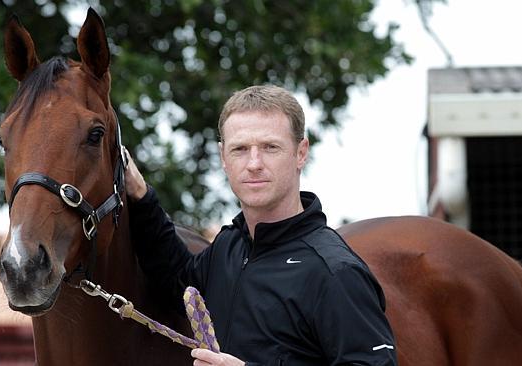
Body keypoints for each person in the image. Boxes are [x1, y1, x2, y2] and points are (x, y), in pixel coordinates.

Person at [125, 85, 398, 365]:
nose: (254, 163)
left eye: (270, 147)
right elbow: (178, 281)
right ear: (223, 157)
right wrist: (141, 196)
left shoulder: (334, 271)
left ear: (301, 153)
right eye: (240, 149)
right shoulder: (231, 246)